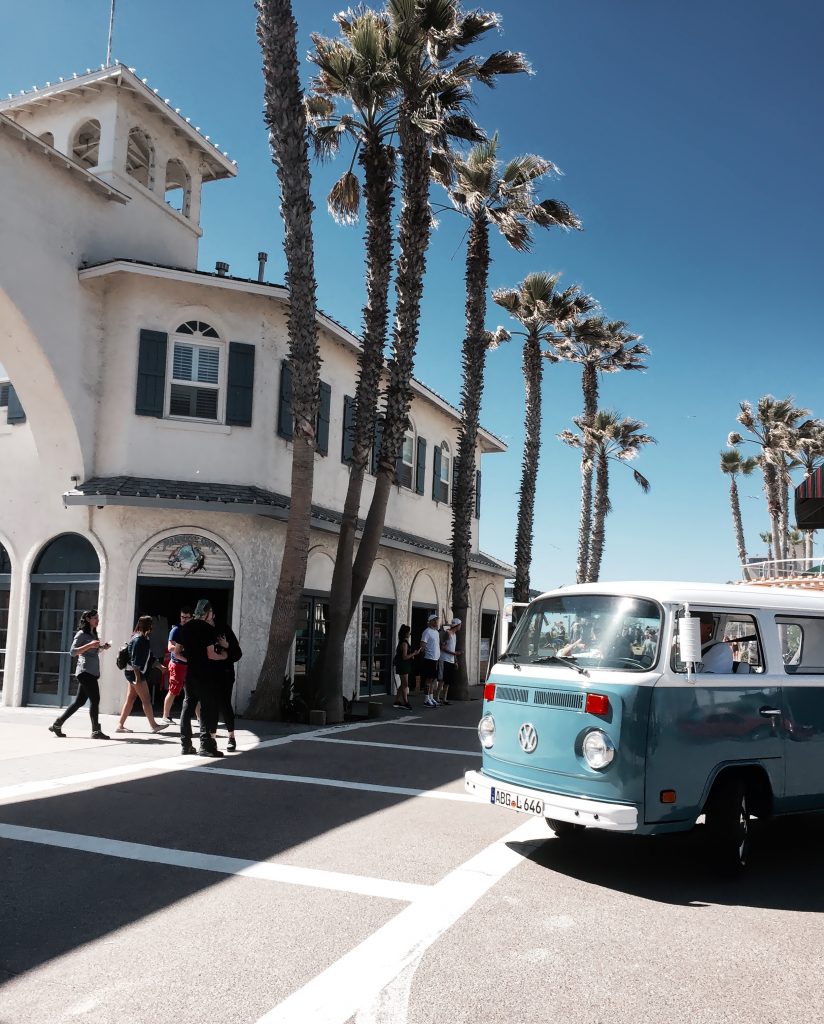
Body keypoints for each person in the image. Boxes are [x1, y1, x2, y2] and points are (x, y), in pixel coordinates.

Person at [174, 598, 228, 757]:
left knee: (187, 706)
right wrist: (224, 655)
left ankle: (186, 744)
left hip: (191, 673)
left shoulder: (184, 628)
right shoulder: (208, 629)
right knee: (206, 708)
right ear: (207, 613)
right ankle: (205, 745)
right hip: (205, 673)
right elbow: (211, 654)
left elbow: (176, 653)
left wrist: (190, 659)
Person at [49, 609, 111, 739]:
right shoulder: (81, 634)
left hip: (91, 672)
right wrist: (89, 645)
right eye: (95, 618)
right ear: (88, 619)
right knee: (95, 699)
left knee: (79, 702)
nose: (97, 620)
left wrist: (101, 648)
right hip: (84, 671)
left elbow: (91, 652)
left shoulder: (93, 634)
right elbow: (72, 652)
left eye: (98, 617)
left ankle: (57, 724)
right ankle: (95, 731)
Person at [116, 616, 170, 734]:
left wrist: (160, 666)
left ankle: (120, 725)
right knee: (146, 699)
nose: (153, 626)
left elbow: (149, 657)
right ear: (147, 625)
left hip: (134, 673)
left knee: (131, 699)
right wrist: (138, 678)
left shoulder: (143, 638)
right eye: (152, 624)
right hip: (135, 673)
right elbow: (135, 662)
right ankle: (153, 725)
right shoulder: (138, 640)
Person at [212, 620, 242, 751]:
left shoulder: (224, 629)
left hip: (225, 673)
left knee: (225, 704)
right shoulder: (202, 629)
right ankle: (211, 738)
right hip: (209, 673)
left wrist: (226, 645)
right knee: (210, 706)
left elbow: (237, 654)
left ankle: (231, 737)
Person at [162, 606, 192, 724]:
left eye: (186, 617)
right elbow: (170, 648)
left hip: (189, 665)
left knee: (192, 693)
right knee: (173, 691)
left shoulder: (192, 630)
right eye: (182, 617)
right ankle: (166, 716)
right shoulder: (176, 630)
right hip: (178, 665)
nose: (184, 619)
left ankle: (200, 719)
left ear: (191, 617)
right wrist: (182, 648)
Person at [393, 625, 420, 711]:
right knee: (405, 684)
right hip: (403, 665)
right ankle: (405, 702)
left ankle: (397, 700)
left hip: (404, 665)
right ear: (406, 633)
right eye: (409, 632)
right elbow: (404, 657)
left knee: (403, 684)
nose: (410, 633)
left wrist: (412, 655)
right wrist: (414, 654)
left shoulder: (403, 642)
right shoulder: (404, 643)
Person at [437, 617, 461, 705]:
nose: (460, 627)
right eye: (460, 625)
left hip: (451, 660)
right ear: (457, 626)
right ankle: (437, 698)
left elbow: (453, 649)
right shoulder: (448, 633)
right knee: (441, 680)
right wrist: (454, 653)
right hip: (444, 659)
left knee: (448, 681)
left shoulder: (454, 635)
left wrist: (455, 660)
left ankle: (444, 699)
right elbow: (443, 647)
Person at [420, 613, 441, 707]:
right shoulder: (427, 632)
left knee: (433, 680)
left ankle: (431, 697)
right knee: (428, 680)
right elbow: (423, 645)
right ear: (431, 621)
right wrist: (425, 654)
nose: (436, 621)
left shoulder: (436, 632)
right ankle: (426, 699)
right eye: (435, 620)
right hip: (429, 659)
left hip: (436, 659)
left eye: (437, 620)